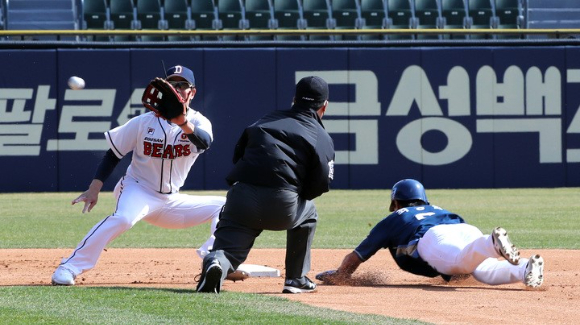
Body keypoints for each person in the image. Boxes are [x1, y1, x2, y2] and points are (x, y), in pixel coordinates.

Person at [51, 65, 226, 286]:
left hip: (172, 200)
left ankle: (214, 259)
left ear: (192, 92)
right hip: (138, 190)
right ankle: (69, 267)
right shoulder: (143, 122)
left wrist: (183, 122)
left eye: (183, 85)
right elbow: (113, 154)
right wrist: (94, 188)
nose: (177, 89)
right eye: (173, 84)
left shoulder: (199, 122)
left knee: (229, 206)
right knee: (123, 219)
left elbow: (205, 142)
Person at [196, 76, 335, 294]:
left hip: (241, 196)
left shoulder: (265, 120)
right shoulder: (321, 136)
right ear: (324, 106)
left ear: (294, 99)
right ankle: (295, 279)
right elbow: (320, 184)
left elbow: (238, 156)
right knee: (309, 212)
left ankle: (216, 263)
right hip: (283, 203)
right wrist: (296, 195)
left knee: (228, 252)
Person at [316, 179, 545, 288]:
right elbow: (461, 272)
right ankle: (525, 268)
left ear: (395, 201)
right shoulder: (438, 209)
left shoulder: (395, 217)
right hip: (465, 229)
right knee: (480, 270)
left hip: (432, 238)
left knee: (457, 262)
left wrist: (339, 275)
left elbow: (356, 256)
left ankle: (491, 243)